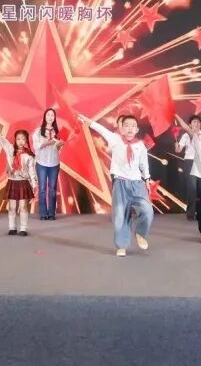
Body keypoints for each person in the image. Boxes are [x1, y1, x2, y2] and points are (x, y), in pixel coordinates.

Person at [78, 113, 153, 257]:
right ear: (121, 129)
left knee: (147, 210)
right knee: (120, 215)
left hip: (137, 184)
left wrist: (147, 178)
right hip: (120, 183)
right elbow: (100, 129)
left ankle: (140, 233)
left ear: (137, 130)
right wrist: (88, 121)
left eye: (133, 126)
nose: (130, 129)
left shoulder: (140, 145)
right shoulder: (115, 139)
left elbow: (144, 164)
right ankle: (121, 245)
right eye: (126, 126)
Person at [0, 124, 38, 236]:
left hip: (23, 182)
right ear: (15, 140)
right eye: (18, 139)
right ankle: (12, 228)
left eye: (23, 139)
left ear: (26, 140)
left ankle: (23, 229)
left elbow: (32, 171)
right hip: (12, 181)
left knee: (23, 207)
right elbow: (1, 139)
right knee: (12, 207)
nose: (20, 141)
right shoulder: (10, 149)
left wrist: (34, 185)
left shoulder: (29, 155)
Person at [32, 108, 64, 220]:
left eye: (52, 115)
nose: (50, 117)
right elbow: (36, 146)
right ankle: (43, 213)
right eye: (48, 115)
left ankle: (51, 213)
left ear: (54, 118)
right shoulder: (38, 131)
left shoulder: (58, 132)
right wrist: (48, 143)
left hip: (54, 163)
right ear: (45, 117)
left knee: (52, 189)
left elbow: (58, 149)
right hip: (41, 163)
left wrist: (59, 144)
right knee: (42, 189)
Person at [175, 115, 201, 220]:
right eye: (194, 122)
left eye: (198, 122)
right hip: (190, 162)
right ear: (190, 124)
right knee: (192, 188)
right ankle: (191, 213)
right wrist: (177, 147)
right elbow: (178, 150)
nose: (197, 124)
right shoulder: (186, 135)